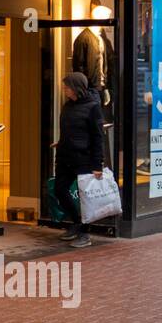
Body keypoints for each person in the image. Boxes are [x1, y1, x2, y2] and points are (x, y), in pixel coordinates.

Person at [53, 71, 104, 248]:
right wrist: (60, 142)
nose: (64, 89)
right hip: (65, 155)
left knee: (86, 197)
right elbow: (70, 130)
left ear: (76, 88)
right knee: (60, 190)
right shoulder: (68, 106)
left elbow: (97, 137)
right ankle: (76, 222)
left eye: (67, 87)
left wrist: (97, 164)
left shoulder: (93, 107)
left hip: (84, 159)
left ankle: (84, 233)